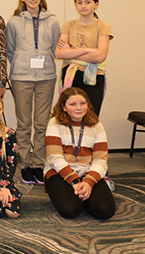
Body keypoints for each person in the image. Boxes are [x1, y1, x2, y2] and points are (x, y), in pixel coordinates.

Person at [6, 0, 61, 185]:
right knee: (23, 123)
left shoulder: (53, 21)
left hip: (46, 76)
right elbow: (10, 49)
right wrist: (22, 60)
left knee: (42, 122)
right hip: (21, 76)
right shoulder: (13, 22)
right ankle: (25, 164)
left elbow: (56, 47)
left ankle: (39, 163)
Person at [44, 87, 115, 220]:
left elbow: (100, 160)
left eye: (82, 103)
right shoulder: (54, 123)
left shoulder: (96, 125)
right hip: (59, 172)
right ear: (63, 107)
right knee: (70, 210)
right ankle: (79, 195)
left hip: (87, 172)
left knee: (105, 210)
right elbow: (54, 157)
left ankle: (83, 195)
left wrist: (88, 182)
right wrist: (74, 181)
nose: (79, 108)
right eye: (72, 104)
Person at [55, 0, 113, 115]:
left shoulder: (103, 26)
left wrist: (71, 51)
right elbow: (59, 53)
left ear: (96, 4)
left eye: (88, 2)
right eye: (79, 2)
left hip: (94, 76)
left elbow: (100, 56)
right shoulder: (68, 25)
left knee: (91, 115)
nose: (83, 6)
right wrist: (88, 49)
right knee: (68, 116)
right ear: (75, 5)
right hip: (71, 75)